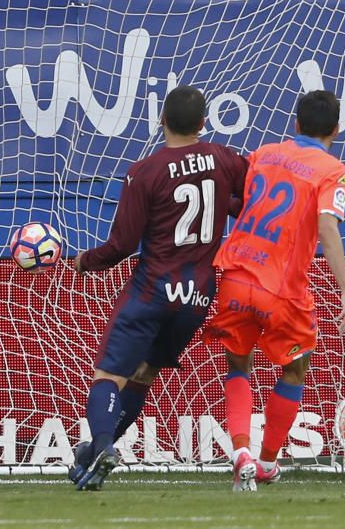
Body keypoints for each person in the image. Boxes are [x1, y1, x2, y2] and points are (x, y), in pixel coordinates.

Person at [69, 85, 248, 491]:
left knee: (108, 377)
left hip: (151, 291)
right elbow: (251, 199)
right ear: (204, 123)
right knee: (143, 376)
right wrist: (228, 206)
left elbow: (122, 245)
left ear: (161, 120)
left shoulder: (143, 172)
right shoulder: (225, 159)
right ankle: (95, 452)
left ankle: (99, 447)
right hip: (197, 299)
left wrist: (85, 262)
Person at [203, 90, 345, 492]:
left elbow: (236, 198)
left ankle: (240, 454)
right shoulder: (332, 169)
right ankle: (267, 461)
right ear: (337, 130)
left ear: (296, 124)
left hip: (235, 273)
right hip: (281, 289)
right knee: (294, 368)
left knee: (238, 366)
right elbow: (327, 225)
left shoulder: (264, 153)